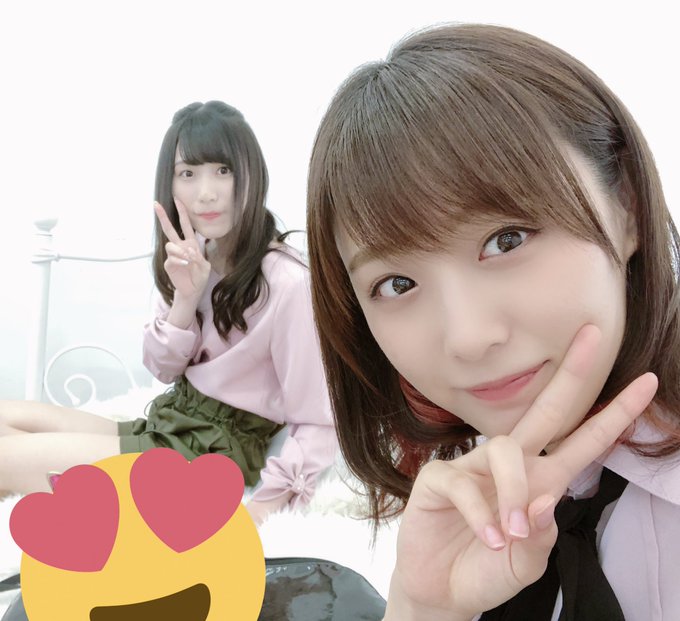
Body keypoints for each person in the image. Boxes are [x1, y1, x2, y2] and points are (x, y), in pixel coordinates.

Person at [306, 23, 679, 620]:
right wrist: (422, 607)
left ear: (627, 207)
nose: (468, 338)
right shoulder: (460, 503)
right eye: (396, 284)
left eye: (507, 239)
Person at [0, 101, 337, 525]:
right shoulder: (194, 255)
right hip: (171, 424)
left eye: (223, 170)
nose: (207, 192)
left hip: (211, 455)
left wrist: (260, 512)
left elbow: (318, 422)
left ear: (252, 175)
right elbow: (162, 369)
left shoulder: (288, 282)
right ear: (170, 184)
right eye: (188, 174)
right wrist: (185, 299)